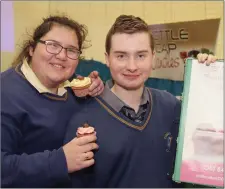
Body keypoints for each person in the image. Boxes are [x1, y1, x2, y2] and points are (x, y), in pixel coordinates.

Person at [64, 15, 217, 188]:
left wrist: (208, 75)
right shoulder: (82, 121)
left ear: (153, 56)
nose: (132, 66)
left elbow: (207, 142)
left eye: (141, 56)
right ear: (107, 58)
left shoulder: (171, 107)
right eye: (121, 56)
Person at [1, 15, 104, 187]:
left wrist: (95, 91)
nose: (62, 56)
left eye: (71, 50)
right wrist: (60, 161)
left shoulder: (72, 88)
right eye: (53, 45)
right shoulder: (5, 92)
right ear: (32, 49)